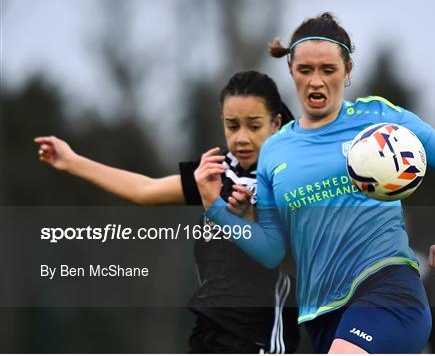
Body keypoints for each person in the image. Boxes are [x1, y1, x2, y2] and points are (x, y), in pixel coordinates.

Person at [196, 13, 435, 353]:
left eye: (328, 70)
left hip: (387, 287)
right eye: (305, 70)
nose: (316, 81)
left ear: (347, 71)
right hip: (320, 313)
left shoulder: (379, 119)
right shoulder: (274, 151)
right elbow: (272, 250)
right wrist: (217, 208)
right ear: (290, 70)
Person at [35, 71, 300, 354]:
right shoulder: (214, 171)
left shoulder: (287, 177)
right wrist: (72, 161)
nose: (242, 138)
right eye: (232, 126)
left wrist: (249, 219)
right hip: (208, 331)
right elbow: (145, 191)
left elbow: (293, 257)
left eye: (254, 126)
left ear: (275, 124)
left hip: (257, 337)